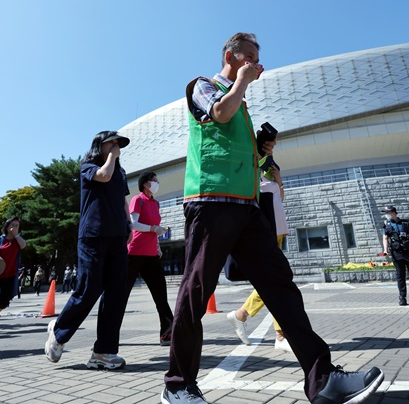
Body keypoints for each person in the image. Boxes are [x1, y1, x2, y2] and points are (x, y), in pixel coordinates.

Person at [161, 33, 383, 404]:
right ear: (230, 56)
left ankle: (323, 379)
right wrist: (243, 80)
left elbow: (248, 159)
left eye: (257, 60)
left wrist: (263, 152)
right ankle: (178, 385)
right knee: (196, 292)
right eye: (248, 57)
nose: (256, 65)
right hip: (211, 202)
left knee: (280, 285)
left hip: (247, 208)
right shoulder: (204, 86)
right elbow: (218, 113)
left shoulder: (242, 105)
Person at [44, 130, 131, 371]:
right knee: (89, 288)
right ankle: (59, 331)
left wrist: (128, 224)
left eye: (118, 144)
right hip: (93, 235)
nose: (116, 146)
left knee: (116, 294)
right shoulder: (89, 166)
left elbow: (124, 200)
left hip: (117, 236)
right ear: (99, 146)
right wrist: (112, 157)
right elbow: (103, 176)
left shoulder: (120, 172)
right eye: (111, 143)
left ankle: (103, 352)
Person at [227, 158, 293, 352]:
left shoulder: (271, 183)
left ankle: (244, 316)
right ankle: (277, 334)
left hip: (278, 232)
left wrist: (279, 179)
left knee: (274, 281)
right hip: (268, 233)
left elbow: (280, 198)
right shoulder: (258, 184)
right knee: (276, 280)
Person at [127, 171, 175, 346]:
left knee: (160, 294)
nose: (156, 183)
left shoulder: (156, 203)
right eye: (153, 180)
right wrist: (154, 228)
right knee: (121, 294)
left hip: (151, 255)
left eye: (157, 180)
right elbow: (134, 224)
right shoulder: (137, 200)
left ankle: (167, 333)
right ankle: (108, 336)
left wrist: (157, 246)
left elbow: (153, 229)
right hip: (134, 253)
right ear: (145, 184)